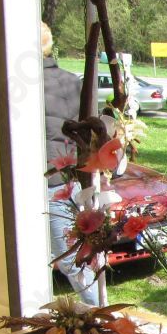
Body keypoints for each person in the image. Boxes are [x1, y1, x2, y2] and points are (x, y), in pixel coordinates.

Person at [42, 22, 98, 305]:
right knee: (79, 258)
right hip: (73, 178)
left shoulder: (30, 86)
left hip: (53, 183)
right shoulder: (71, 80)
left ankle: (101, 315)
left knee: (72, 261)